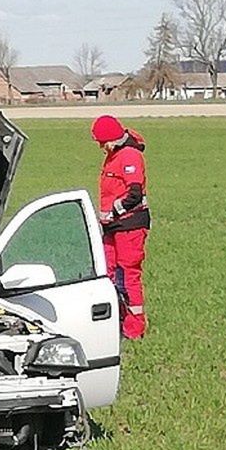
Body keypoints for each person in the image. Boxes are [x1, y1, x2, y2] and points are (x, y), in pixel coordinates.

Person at [91, 114, 151, 340]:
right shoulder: (114, 154)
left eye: (101, 142)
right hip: (112, 227)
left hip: (129, 226)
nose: (100, 147)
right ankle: (116, 322)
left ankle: (134, 328)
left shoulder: (129, 156)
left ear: (112, 138)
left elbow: (133, 194)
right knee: (110, 274)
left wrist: (112, 212)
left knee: (127, 275)